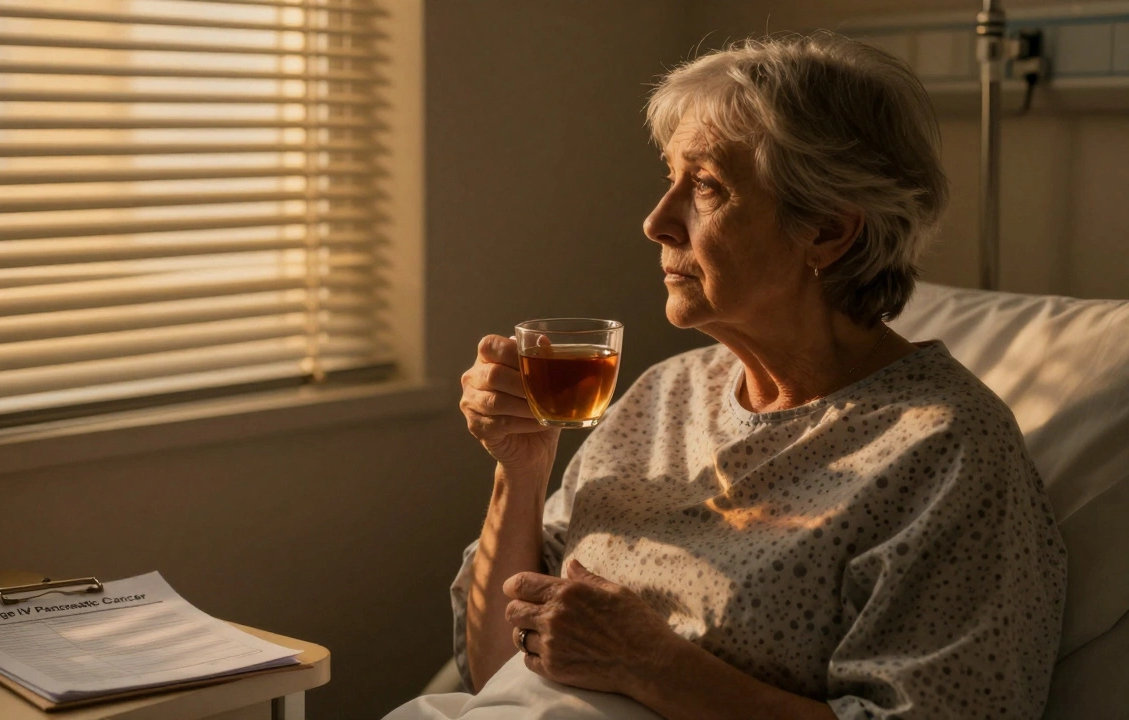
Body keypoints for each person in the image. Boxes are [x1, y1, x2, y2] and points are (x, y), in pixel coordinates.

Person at [387, 32, 1065, 720]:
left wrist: (650, 665)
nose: (656, 222)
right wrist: (522, 470)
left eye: (706, 186)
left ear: (828, 232)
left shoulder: (943, 452)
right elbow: (493, 669)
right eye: (669, 178)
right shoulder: (664, 395)